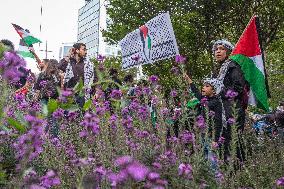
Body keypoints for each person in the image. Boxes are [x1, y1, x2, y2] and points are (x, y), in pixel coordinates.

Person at [212, 39, 249, 162]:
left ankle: (237, 172)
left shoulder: (233, 66)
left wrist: (219, 92)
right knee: (225, 143)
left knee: (233, 142)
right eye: (216, 49)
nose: (218, 51)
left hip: (233, 111)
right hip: (223, 111)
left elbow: (238, 87)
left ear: (228, 52)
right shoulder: (220, 69)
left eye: (222, 49)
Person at [58, 43, 97, 107]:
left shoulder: (88, 64)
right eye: (84, 49)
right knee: (70, 114)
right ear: (77, 50)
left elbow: (95, 77)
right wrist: (69, 54)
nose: (86, 52)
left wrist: (96, 91)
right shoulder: (69, 62)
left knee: (82, 113)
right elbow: (60, 66)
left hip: (83, 93)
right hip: (70, 93)